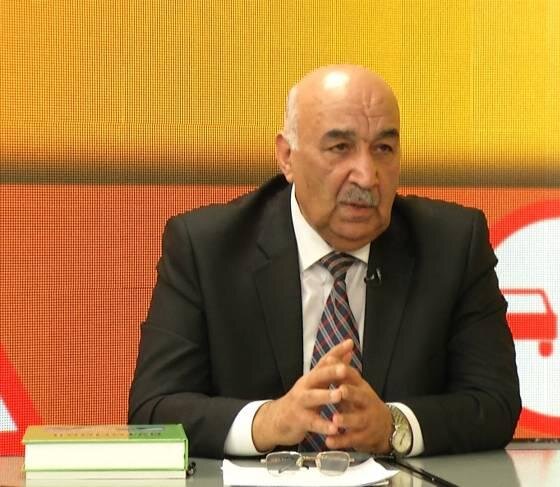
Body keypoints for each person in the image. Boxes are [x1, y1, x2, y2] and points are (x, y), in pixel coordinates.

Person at [128, 65, 521, 459]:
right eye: (340, 148)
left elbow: (495, 403)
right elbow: (153, 410)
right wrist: (267, 421)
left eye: (383, 149)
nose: (366, 177)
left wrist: (393, 426)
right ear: (287, 157)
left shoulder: (452, 244)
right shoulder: (207, 248)